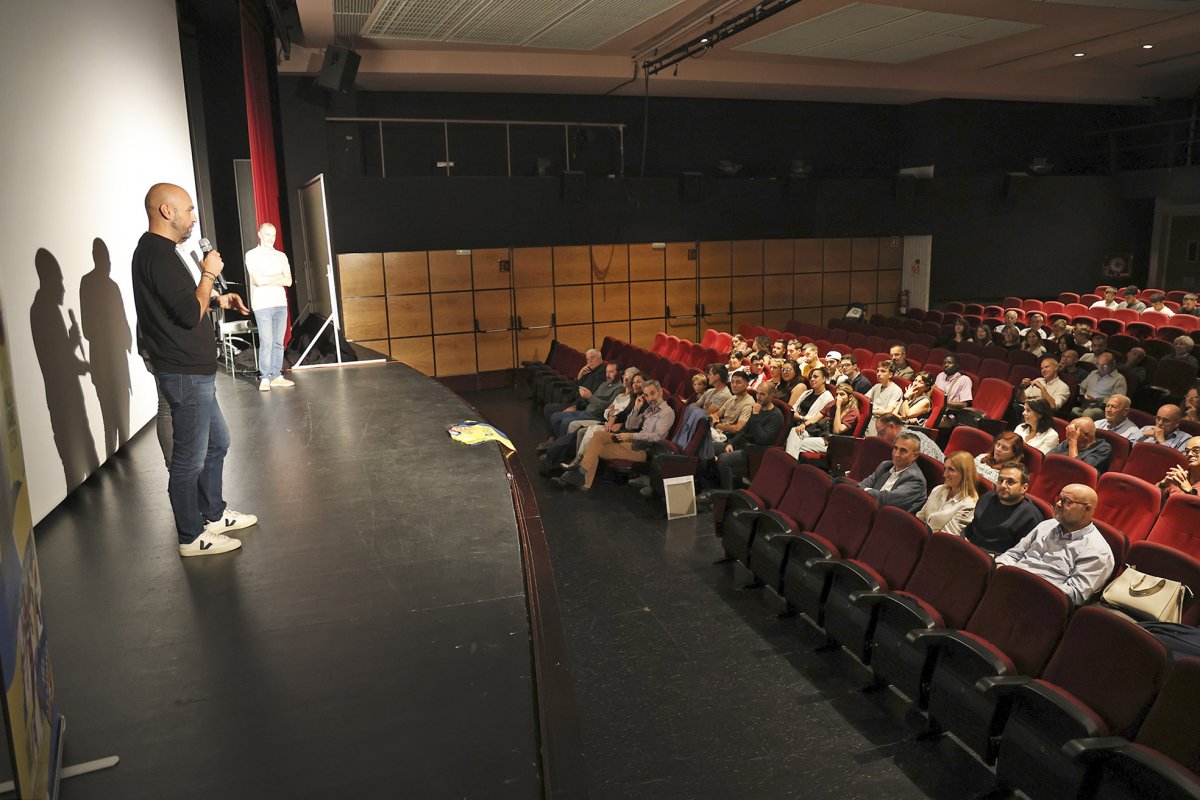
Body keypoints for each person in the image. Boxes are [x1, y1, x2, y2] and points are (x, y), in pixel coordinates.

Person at [131, 183, 256, 557]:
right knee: (188, 459)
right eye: (187, 209)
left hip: (194, 368)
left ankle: (213, 514)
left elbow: (183, 304)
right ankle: (190, 535)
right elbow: (187, 314)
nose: (193, 217)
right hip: (184, 370)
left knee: (218, 442)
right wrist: (207, 274)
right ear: (166, 212)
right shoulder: (156, 253)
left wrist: (217, 297)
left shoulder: (162, 253)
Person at [995, 484, 1114, 606]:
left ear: (1087, 509)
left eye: (1066, 501)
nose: (1058, 504)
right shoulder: (1047, 525)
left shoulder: (1098, 551)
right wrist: (1000, 567)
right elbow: (1014, 554)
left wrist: (1025, 587)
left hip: (1040, 603)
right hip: (1008, 584)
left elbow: (1073, 595)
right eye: (1059, 498)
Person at [556, 380, 675, 491]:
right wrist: (635, 409)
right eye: (647, 395)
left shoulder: (667, 412)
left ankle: (583, 479)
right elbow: (630, 425)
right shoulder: (650, 410)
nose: (650, 398)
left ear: (661, 392)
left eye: (652, 393)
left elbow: (657, 437)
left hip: (644, 449)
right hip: (633, 442)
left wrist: (631, 436)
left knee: (596, 447)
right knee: (597, 436)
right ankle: (582, 475)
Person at [244, 222, 293, 391]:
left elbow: (288, 280)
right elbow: (258, 280)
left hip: (280, 303)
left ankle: (276, 375)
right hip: (263, 305)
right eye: (267, 234)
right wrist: (277, 277)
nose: (271, 238)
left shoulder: (281, 256)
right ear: (260, 234)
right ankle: (265, 377)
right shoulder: (252, 255)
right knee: (267, 342)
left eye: (273, 235)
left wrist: (267, 278)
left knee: (278, 342)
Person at [713, 382, 786, 491]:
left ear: (771, 396)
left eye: (763, 394)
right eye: (757, 393)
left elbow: (762, 439)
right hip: (742, 445)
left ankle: (726, 493)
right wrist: (731, 443)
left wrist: (755, 415)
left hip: (754, 451)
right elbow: (744, 430)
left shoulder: (776, 416)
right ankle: (709, 483)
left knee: (723, 459)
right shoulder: (757, 408)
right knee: (709, 446)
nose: (758, 397)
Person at [963, 462, 1044, 554]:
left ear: (1024, 488)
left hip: (994, 562)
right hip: (968, 549)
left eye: (1010, 482)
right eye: (1000, 480)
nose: (1003, 485)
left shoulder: (1030, 516)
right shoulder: (987, 498)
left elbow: (1023, 553)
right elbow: (973, 526)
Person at [857, 432, 928, 512]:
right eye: (895, 448)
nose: (896, 454)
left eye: (903, 451)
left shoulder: (916, 479)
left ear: (915, 456)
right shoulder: (885, 466)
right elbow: (860, 486)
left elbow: (887, 500)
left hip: (891, 520)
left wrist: (866, 491)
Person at [916, 451, 979, 535]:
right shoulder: (938, 489)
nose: (945, 474)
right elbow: (920, 518)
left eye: (951, 470)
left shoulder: (968, 505)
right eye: (945, 469)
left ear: (965, 474)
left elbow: (947, 538)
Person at [788, 381, 859, 455]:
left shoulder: (853, 412)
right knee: (795, 431)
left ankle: (790, 463)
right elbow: (817, 417)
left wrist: (838, 407)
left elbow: (837, 431)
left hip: (833, 441)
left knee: (800, 443)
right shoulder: (832, 404)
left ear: (850, 397)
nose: (838, 397)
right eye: (837, 394)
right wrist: (803, 425)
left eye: (842, 394)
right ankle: (790, 463)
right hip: (821, 433)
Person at [1071, 352, 1127, 419]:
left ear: (1113, 364)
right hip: (1085, 405)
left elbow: (1118, 401)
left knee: (1088, 413)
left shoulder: (1119, 379)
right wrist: (1082, 397)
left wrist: (1097, 401)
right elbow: (1082, 387)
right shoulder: (1093, 373)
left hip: (1101, 408)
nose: (1100, 368)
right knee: (1073, 410)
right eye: (1098, 364)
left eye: (1105, 365)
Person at [1047, 417, 1112, 472]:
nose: (1068, 434)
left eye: (1074, 432)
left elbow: (1076, 469)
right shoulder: (1069, 441)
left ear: (1086, 435)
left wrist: (1073, 441)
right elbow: (1047, 457)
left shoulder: (1103, 448)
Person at [874, 414, 945, 462]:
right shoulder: (904, 437)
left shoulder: (910, 441)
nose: (879, 437)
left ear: (892, 427)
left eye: (881, 433)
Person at [864, 362, 903, 430]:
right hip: (870, 416)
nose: (878, 374)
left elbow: (888, 411)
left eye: (883, 371)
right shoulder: (876, 386)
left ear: (890, 374)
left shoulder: (896, 390)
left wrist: (871, 411)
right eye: (878, 371)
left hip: (882, 420)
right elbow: (865, 400)